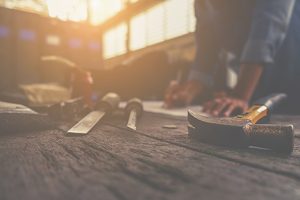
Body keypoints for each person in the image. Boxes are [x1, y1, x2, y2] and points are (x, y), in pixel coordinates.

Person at [164, 0, 300, 116]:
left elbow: (269, 23)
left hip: (293, 70)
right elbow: (206, 44)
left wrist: (240, 95)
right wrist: (188, 91)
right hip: (255, 84)